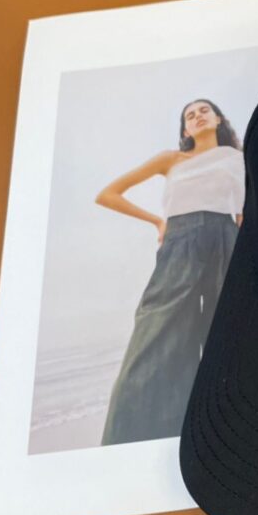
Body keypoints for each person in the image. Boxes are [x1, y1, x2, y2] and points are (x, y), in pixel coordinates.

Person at [97, 98, 245, 445]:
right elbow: (108, 194)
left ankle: (214, 434)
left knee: (225, 335)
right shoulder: (171, 159)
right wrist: (157, 222)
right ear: (185, 129)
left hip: (226, 238)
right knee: (155, 334)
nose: (197, 116)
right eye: (189, 115)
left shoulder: (238, 158)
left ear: (218, 118)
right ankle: (127, 440)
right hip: (180, 240)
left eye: (204, 110)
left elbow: (244, 209)